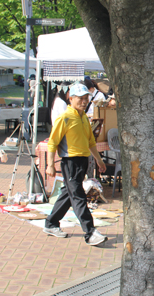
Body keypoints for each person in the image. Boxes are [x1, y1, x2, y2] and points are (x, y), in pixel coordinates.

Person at [44, 83, 108, 246]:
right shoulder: (64, 118)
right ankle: (90, 231)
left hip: (82, 161)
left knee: (68, 193)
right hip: (70, 162)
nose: (84, 101)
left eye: (86, 98)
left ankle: (51, 223)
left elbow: (90, 141)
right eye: (80, 98)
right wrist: (50, 165)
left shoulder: (84, 118)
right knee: (78, 196)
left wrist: (99, 160)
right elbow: (52, 143)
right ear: (70, 99)